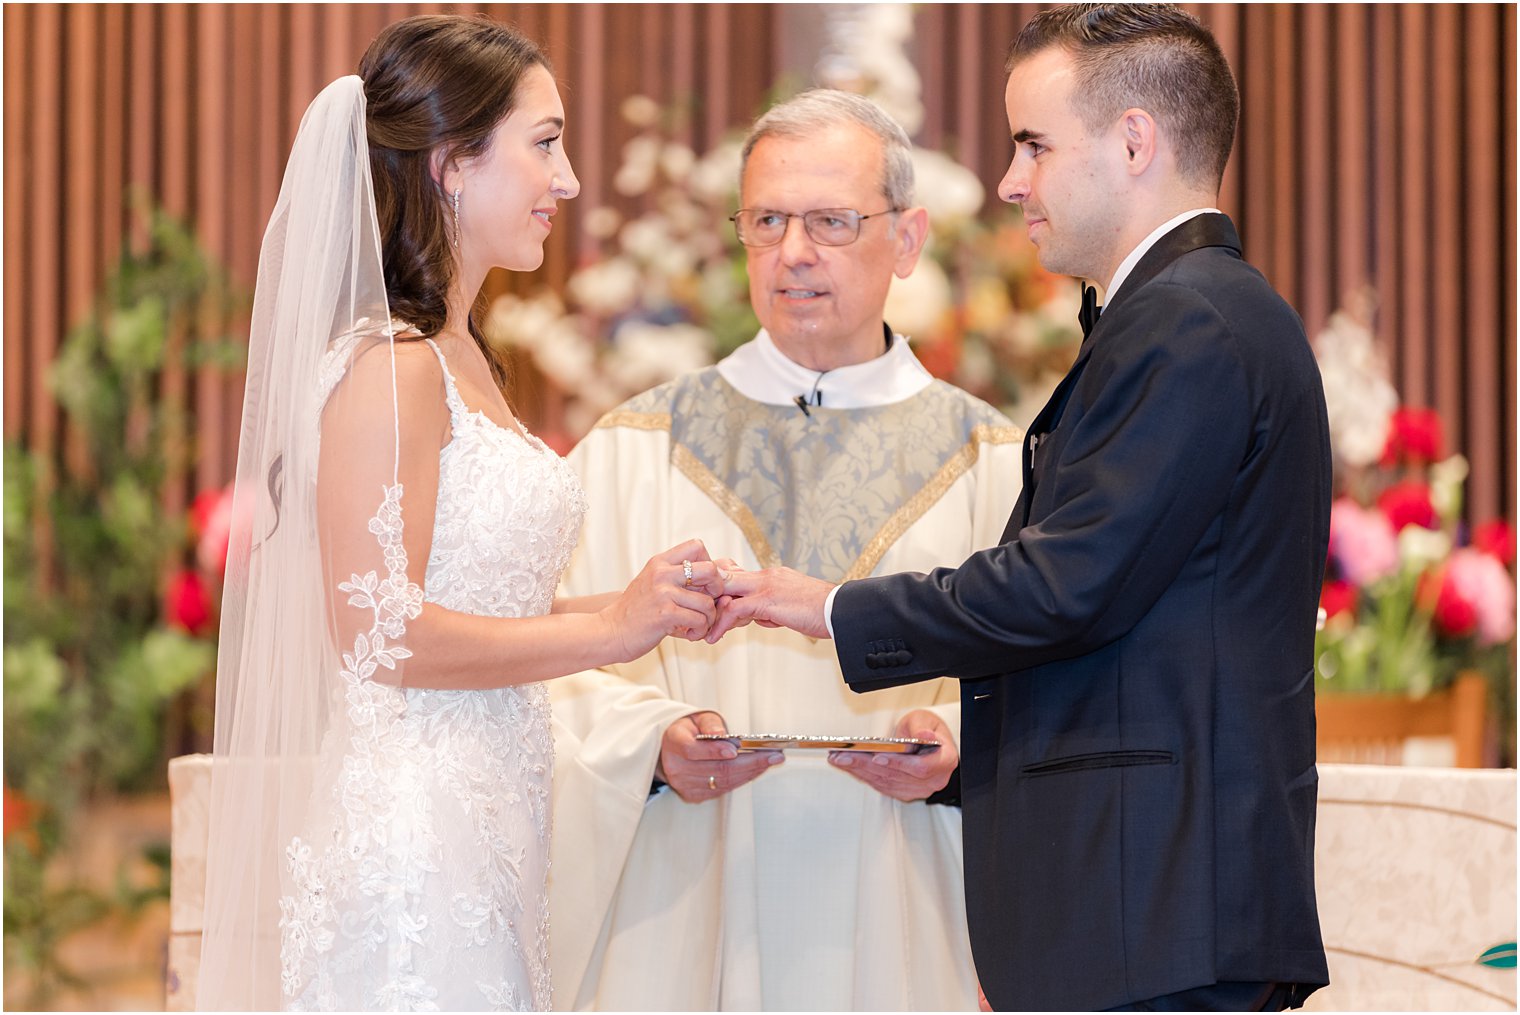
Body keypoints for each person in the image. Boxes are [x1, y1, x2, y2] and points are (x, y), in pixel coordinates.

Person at [711, 5, 1333, 1011]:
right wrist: (963, 764)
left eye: (1033, 145)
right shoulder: (1185, 315)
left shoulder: (1189, 322)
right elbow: (1139, 635)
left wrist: (830, 606)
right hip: (1151, 902)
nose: (1009, 181)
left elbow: (1067, 585)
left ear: (1134, 142)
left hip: (1156, 905)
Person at [195, 15, 726, 1011]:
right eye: (544, 142)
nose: (566, 180)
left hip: (489, 826)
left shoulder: (463, 355)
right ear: (449, 164)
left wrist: (643, 602)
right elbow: (380, 629)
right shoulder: (394, 367)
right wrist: (608, 631)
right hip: (416, 844)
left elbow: (468, 588)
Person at [547, 89, 1023, 1010]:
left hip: (908, 915)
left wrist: (963, 746)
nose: (793, 252)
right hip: (687, 915)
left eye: (832, 222)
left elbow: (1051, 679)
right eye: (767, 220)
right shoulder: (635, 445)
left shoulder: (992, 463)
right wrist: (650, 743)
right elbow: (548, 666)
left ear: (909, 239)